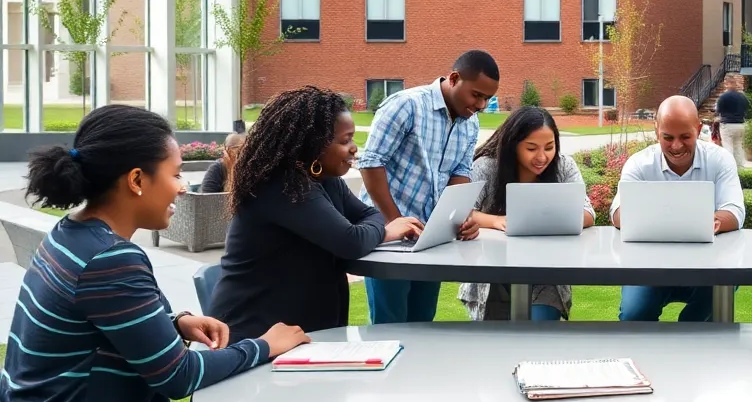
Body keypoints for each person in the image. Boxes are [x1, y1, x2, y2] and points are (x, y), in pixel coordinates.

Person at [1, 106, 309, 402]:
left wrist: (176, 322)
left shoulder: (71, 234)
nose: (181, 187)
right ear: (136, 180)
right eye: (175, 174)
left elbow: (100, 321)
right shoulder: (108, 259)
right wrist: (265, 346)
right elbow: (179, 376)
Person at [211, 87, 425, 340]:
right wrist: (386, 232)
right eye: (344, 141)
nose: (354, 148)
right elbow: (350, 241)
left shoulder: (324, 178)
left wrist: (377, 228)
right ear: (311, 145)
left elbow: (370, 214)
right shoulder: (282, 187)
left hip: (300, 330)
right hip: (256, 332)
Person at [357, 50, 498, 324]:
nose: (481, 104)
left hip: (431, 240)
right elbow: (371, 163)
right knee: (390, 326)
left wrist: (459, 218)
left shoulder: (470, 123)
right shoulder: (406, 105)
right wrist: (395, 221)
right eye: (477, 95)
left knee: (423, 324)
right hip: (389, 239)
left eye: (487, 98)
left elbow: (460, 171)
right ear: (455, 79)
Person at [612, 96, 745, 322]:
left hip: (707, 267)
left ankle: (689, 344)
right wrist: (685, 222)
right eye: (668, 137)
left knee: (699, 319)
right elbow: (617, 214)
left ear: (698, 129)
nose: (676, 146)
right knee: (634, 315)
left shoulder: (720, 159)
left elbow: (734, 211)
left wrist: (713, 221)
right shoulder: (639, 164)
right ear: (657, 132)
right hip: (647, 268)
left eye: (685, 137)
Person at [459, 106, 594, 321]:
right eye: (531, 148)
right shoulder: (486, 167)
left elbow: (587, 212)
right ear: (513, 145)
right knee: (495, 344)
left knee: (539, 339)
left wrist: (544, 222)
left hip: (548, 275)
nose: (542, 157)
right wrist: (496, 221)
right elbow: (464, 211)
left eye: (549, 147)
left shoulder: (564, 166)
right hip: (492, 275)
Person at [715, 78, 749, 165]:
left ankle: (729, 167)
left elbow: (718, 111)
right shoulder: (742, 97)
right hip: (740, 124)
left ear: (727, 84)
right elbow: (748, 109)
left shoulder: (723, 97)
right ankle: (740, 168)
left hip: (727, 125)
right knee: (738, 147)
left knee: (728, 147)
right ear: (736, 84)